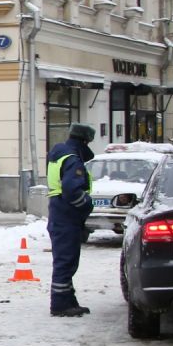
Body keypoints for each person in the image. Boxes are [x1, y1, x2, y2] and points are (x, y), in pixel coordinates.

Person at [46, 123, 98, 316]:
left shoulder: (60, 154)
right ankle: (60, 304)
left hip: (59, 213)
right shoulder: (73, 159)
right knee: (66, 262)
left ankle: (68, 301)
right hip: (67, 216)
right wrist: (86, 204)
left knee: (65, 260)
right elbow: (71, 190)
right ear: (84, 141)